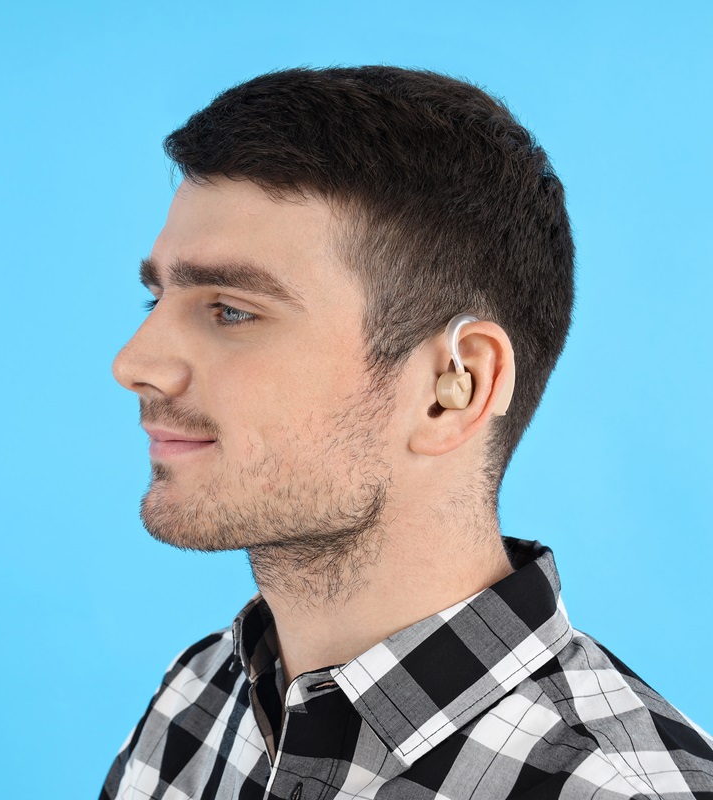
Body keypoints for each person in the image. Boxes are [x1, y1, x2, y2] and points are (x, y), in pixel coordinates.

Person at [100, 66, 713, 800]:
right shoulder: (194, 703)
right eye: (156, 298)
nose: (133, 363)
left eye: (232, 310)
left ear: (454, 388)